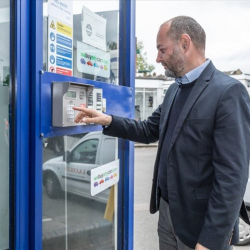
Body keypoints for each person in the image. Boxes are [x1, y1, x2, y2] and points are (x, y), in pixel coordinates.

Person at [73, 16, 250, 250]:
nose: (158, 58)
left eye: (162, 50)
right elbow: (148, 130)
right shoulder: (174, 90)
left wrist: (210, 240)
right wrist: (108, 120)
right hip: (167, 215)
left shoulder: (228, 92)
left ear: (185, 44)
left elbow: (232, 177)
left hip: (199, 227)